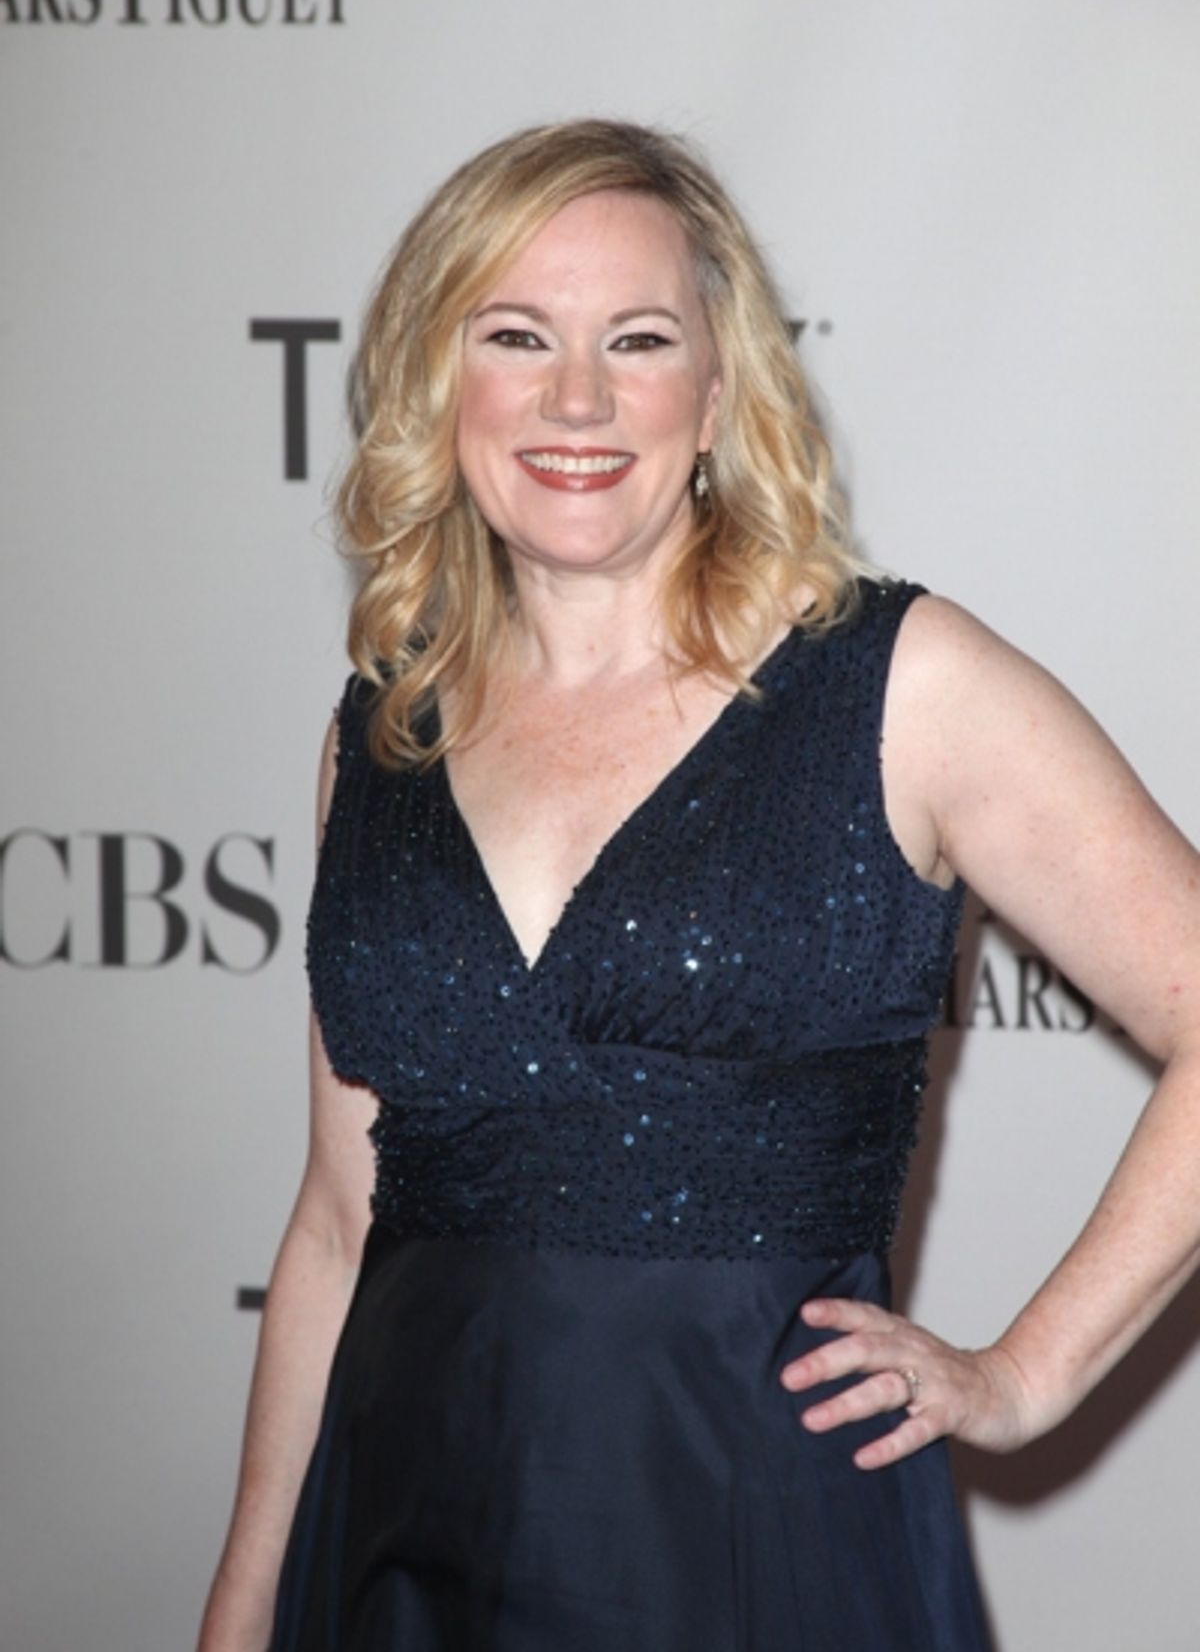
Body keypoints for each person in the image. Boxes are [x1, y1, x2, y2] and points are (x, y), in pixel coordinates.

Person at [198, 119, 1200, 1652]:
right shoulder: (381, 731)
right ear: (436, 382)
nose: (578, 399)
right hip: (402, 1536)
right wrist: (246, 1600)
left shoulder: (899, 685)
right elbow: (339, 1222)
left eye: (639, 339)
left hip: (753, 1533)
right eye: (516, 336)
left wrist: (1024, 1374)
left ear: (720, 392)